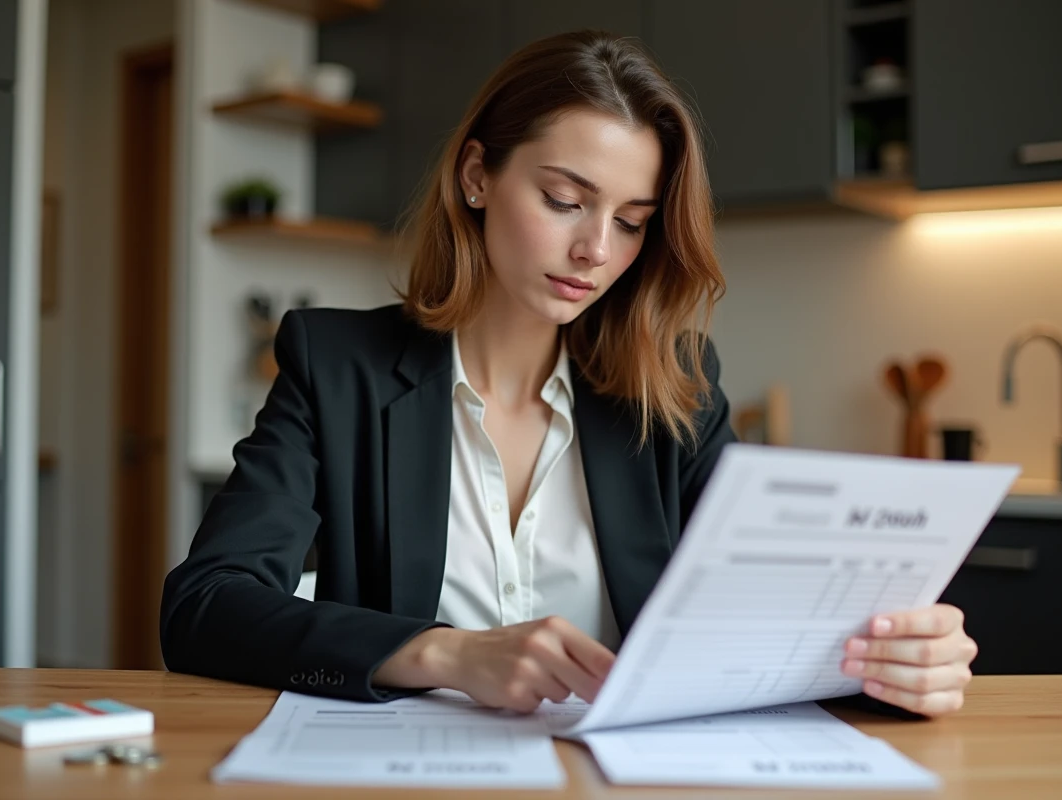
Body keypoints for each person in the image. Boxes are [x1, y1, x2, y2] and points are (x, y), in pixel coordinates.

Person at [160, 30, 977, 719]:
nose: (596, 250)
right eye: (563, 199)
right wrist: (446, 654)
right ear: (477, 176)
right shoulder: (338, 368)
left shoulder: (677, 388)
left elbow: (761, 624)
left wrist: (893, 663)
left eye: (630, 222)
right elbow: (204, 606)